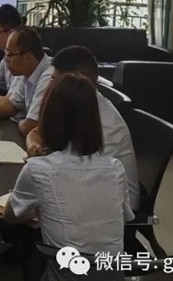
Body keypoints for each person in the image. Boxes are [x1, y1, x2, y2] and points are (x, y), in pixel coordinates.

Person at [4, 73, 132, 281]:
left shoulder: (37, 169)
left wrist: (39, 211)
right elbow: (120, 219)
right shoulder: (115, 168)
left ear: (48, 118)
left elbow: (10, 216)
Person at [26, 46, 140, 210]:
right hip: (80, 191)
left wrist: (36, 168)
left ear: (79, 80)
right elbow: (36, 132)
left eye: (56, 82)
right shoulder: (75, 105)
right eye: (51, 80)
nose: (50, 88)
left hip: (112, 208)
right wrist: (34, 147)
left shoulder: (105, 125)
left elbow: (77, 178)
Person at [0, 26, 53, 137]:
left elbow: (29, 127)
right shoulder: (28, 71)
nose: (6, 59)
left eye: (9, 54)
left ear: (26, 57)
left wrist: (21, 123)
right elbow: (13, 104)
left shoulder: (49, 77)